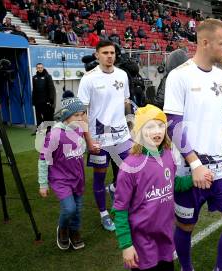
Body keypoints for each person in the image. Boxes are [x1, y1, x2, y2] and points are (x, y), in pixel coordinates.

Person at [164, 18, 222, 271]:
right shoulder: (179, 76)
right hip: (190, 171)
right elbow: (172, 124)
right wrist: (196, 164)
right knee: (186, 226)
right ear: (205, 42)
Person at [113, 104, 193, 270]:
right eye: (150, 126)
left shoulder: (169, 156)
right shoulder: (130, 166)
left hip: (165, 237)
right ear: (139, 132)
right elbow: (120, 210)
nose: (157, 131)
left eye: (160, 125)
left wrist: (194, 179)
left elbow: (172, 184)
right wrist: (126, 245)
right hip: (142, 242)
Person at [77, 40, 133, 231]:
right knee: (99, 178)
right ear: (97, 55)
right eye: (105, 53)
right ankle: (104, 214)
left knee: (127, 174)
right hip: (99, 139)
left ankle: (116, 194)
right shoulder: (89, 78)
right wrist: (89, 140)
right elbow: (82, 112)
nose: (110, 56)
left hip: (122, 137)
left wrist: (131, 123)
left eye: (112, 53)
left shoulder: (123, 75)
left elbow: (126, 101)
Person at [38, 92, 87, 250]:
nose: (80, 119)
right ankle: (63, 229)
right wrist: (43, 184)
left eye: (82, 115)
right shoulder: (55, 135)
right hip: (61, 180)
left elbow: (79, 149)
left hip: (78, 178)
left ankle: (75, 232)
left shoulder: (79, 130)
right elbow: (44, 160)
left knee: (77, 210)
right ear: (66, 117)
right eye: (76, 116)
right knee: (69, 208)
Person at [32, 63, 56, 133]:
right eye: (38, 68)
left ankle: (49, 130)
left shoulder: (48, 76)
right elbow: (34, 90)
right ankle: (39, 130)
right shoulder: (34, 77)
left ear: (43, 68)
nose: (40, 69)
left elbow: (51, 88)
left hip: (46, 101)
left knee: (48, 116)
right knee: (38, 117)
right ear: (36, 68)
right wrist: (33, 100)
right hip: (38, 101)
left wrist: (51, 100)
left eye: (41, 67)